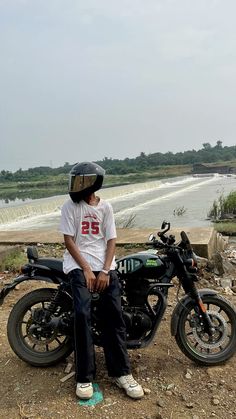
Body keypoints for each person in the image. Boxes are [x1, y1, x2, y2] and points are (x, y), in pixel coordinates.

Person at [59, 161, 144, 400]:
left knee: (114, 315)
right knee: (82, 315)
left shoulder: (106, 207)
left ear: (92, 182)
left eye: (79, 181)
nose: (75, 185)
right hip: (78, 265)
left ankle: (121, 373)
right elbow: (69, 241)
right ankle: (84, 377)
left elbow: (111, 241)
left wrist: (105, 271)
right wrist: (86, 269)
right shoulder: (69, 207)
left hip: (105, 267)